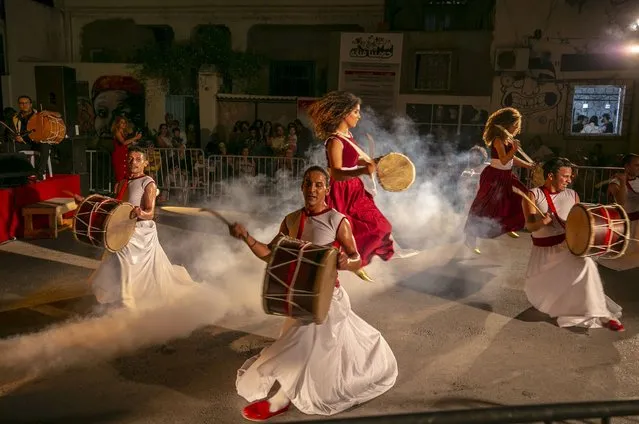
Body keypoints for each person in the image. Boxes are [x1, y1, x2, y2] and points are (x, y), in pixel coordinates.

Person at [228, 166, 398, 421]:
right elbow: (271, 254)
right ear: (302, 187)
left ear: (327, 190)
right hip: (298, 299)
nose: (312, 189)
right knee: (305, 351)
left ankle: (279, 401)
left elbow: (356, 258)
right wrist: (247, 238)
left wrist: (345, 262)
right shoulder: (292, 219)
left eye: (319, 185)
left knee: (297, 348)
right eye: (308, 183)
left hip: (327, 300)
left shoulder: (337, 220)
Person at [73, 147, 196, 310]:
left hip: (139, 231)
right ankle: (125, 296)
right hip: (121, 228)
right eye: (130, 159)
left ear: (145, 163)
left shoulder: (148, 183)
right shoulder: (121, 183)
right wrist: (85, 201)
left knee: (126, 262)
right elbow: (113, 206)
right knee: (121, 264)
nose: (133, 163)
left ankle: (127, 300)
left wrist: (140, 212)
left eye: (138, 159)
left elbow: (150, 213)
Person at [306, 91, 410, 273]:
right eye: (355, 112)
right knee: (342, 233)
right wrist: (363, 170)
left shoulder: (348, 137)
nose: (359, 116)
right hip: (342, 191)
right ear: (344, 113)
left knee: (379, 226)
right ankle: (350, 262)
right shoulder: (335, 141)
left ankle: (356, 260)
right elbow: (336, 173)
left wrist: (377, 161)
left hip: (355, 189)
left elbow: (357, 161)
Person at [522, 157, 623, 331]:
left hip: (566, 248)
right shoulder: (533, 195)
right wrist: (542, 222)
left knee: (587, 264)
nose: (569, 180)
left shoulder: (572, 195)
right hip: (544, 255)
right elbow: (530, 226)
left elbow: (579, 223)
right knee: (550, 298)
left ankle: (602, 315)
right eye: (565, 176)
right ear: (551, 176)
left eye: (570, 176)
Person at [463, 107, 534, 254]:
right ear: (506, 123)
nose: (516, 128)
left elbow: (511, 160)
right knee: (484, 207)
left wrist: (528, 165)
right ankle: (470, 237)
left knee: (523, 196)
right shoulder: (497, 140)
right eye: (515, 124)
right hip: (494, 176)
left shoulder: (507, 139)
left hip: (506, 175)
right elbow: (503, 160)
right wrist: (513, 149)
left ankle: (509, 226)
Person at [601, 153, 639, 271]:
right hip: (625, 223)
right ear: (627, 166)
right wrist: (623, 182)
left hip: (637, 222)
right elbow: (621, 201)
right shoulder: (615, 182)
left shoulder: (638, 180)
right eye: (637, 165)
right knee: (622, 254)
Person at [11, 95, 52, 179]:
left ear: (31, 104)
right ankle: (17, 173)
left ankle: (40, 172)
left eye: (26, 103)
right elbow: (12, 132)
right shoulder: (15, 118)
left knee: (45, 144)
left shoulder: (39, 115)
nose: (24, 105)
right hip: (24, 143)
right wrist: (16, 137)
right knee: (10, 146)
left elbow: (39, 132)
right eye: (21, 103)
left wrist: (50, 113)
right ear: (19, 105)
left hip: (36, 142)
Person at [111, 115, 142, 183]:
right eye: (122, 122)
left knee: (126, 175)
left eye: (124, 122)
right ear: (118, 123)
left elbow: (126, 145)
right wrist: (135, 138)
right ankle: (118, 192)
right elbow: (123, 142)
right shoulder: (117, 132)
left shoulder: (124, 133)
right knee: (120, 176)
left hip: (125, 155)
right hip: (119, 156)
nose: (124, 124)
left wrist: (134, 141)